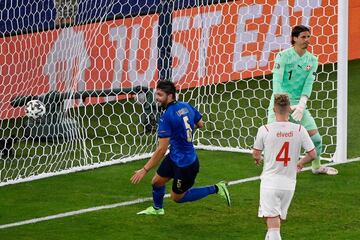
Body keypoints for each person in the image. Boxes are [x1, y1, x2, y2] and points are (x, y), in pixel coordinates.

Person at [130, 80, 231, 215]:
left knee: (177, 197)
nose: (156, 98)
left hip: (186, 165)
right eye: (156, 94)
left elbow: (161, 150)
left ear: (170, 95)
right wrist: (182, 130)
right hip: (174, 156)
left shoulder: (166, 117)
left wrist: (144, 169)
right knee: (157, 182)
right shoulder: (186, 105)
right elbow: (200, 123)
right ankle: (157, 209)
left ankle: (217, 188)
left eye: (160, 95)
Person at [267, 25, 338, 175]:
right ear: (294, 38)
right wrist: (284, 104)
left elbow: (308, 83)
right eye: (303, 37)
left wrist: (301, 104)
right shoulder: (283, 56)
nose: (307, 40)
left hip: (299, 105)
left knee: (316, 140)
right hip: (280, 103)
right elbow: (277, 81)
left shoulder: (312, 60)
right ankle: (271, 172)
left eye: (308, 37)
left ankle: (316, 166)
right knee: (273, 140)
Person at [253, 93, 316, 240]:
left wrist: (258, 159)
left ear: (274, 109)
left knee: (273, 224)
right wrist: (300, 163)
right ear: (289, 109)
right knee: (274, 222)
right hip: (289, 184)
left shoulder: (265, 129)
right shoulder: (300, 130)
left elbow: (256, 154)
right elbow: (312, 154)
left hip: (270, 183)